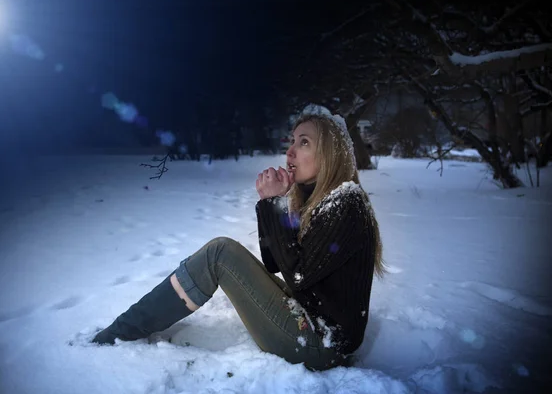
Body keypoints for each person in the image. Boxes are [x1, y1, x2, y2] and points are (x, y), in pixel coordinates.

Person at [91, 112, 385, 371]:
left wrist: (273, 203)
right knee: (221, 253)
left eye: (304, 142)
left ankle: (119, 334)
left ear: (331, 154)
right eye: (292, 141)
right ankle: (125, 329)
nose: (290, 151)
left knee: (220, 254)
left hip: (322, 347)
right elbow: (275, 262)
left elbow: (298, 274)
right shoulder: (320, 200)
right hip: (311, 323)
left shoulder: (346, 203)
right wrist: (274, 206)